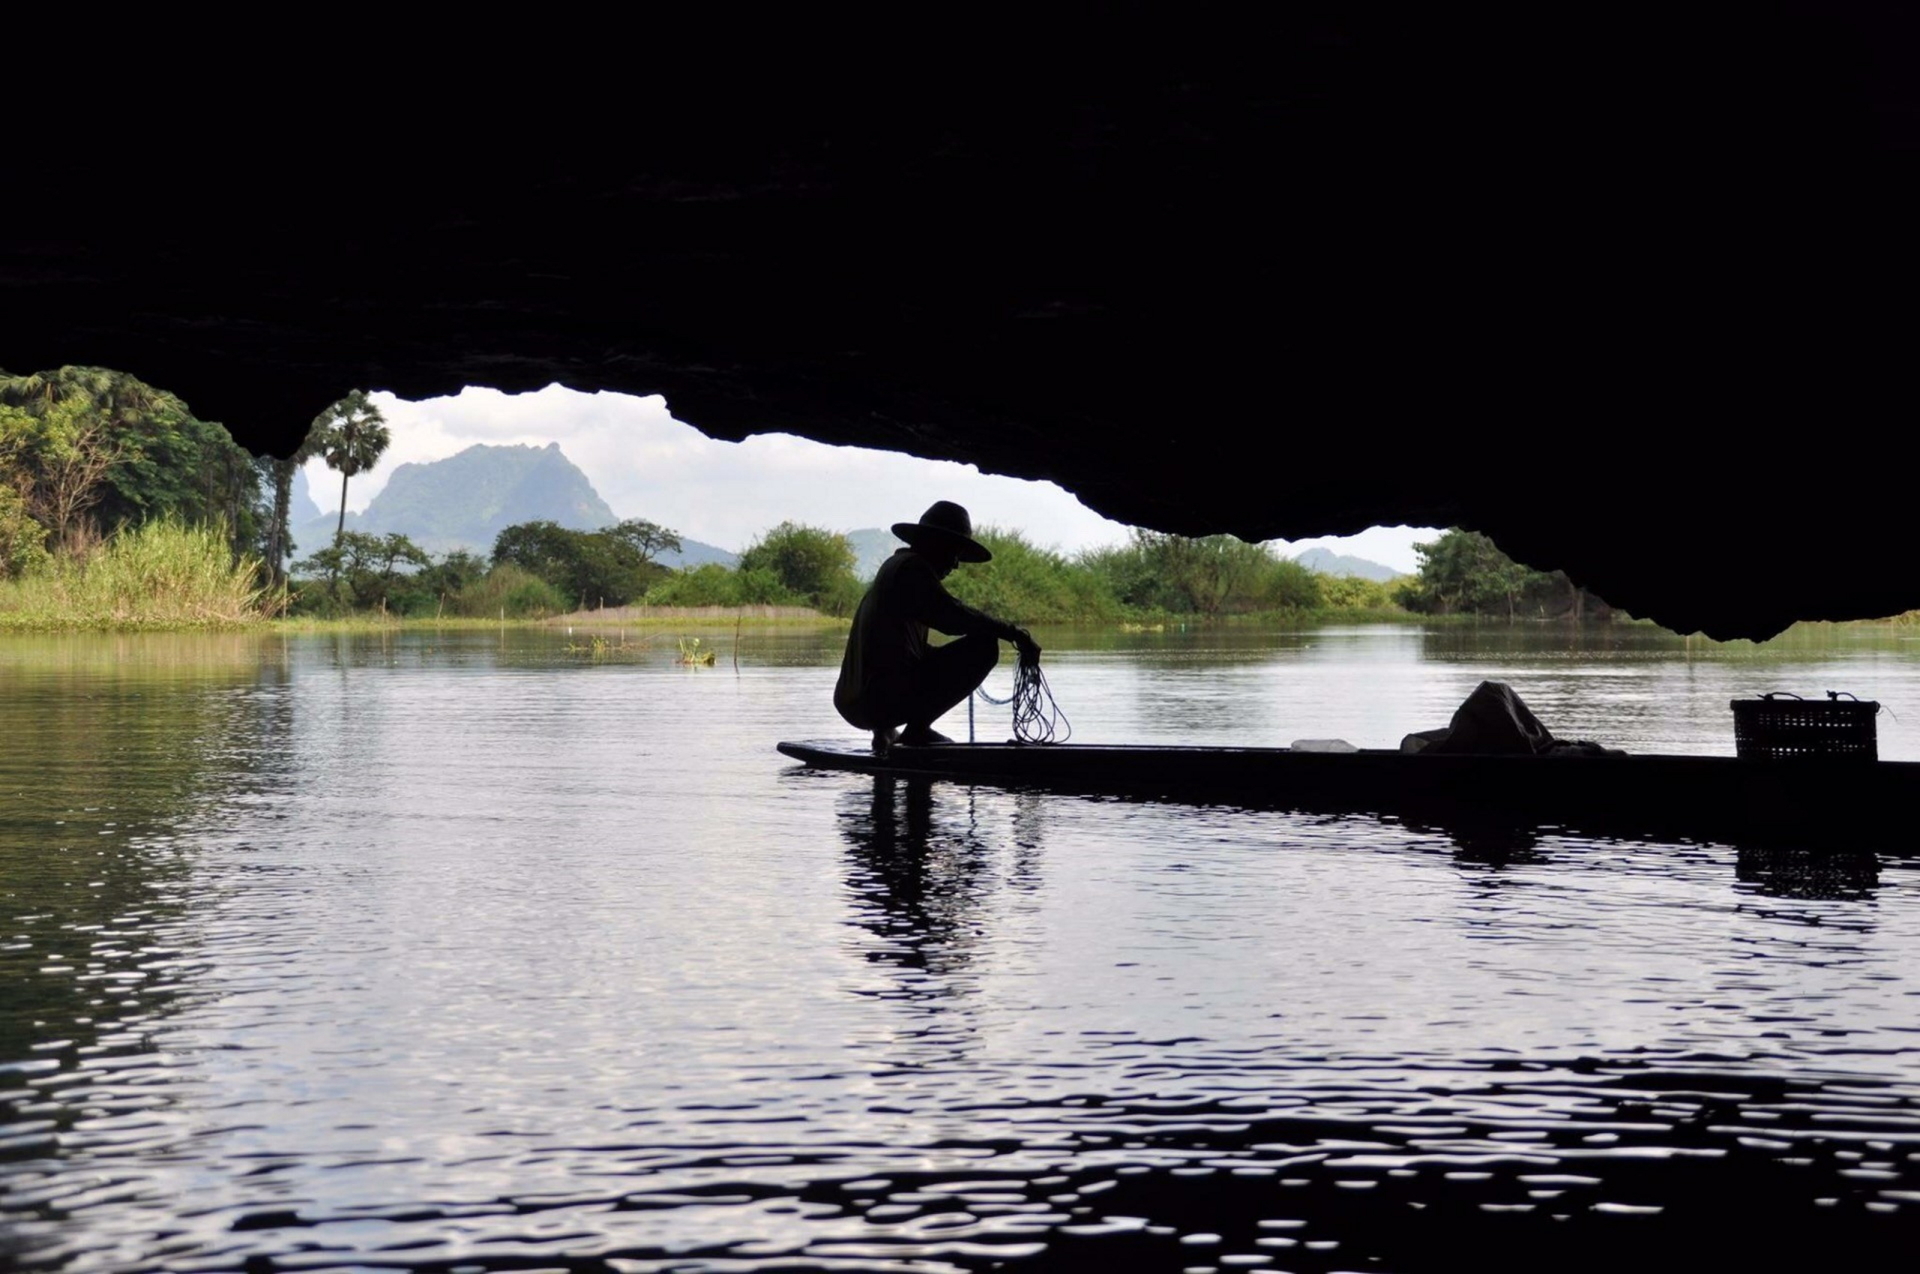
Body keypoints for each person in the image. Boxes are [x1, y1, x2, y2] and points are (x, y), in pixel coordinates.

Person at [835, 500, 1041, 752]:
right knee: (984, 647)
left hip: (859, 698)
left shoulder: (894, 568)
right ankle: (916, 732)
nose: (955, 564)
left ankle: (887, 731)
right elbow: (953, 617)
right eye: (954, 553)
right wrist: (1014, 633)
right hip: (873, 700)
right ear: (936, 543)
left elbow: (896, 649)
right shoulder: (912, 569)